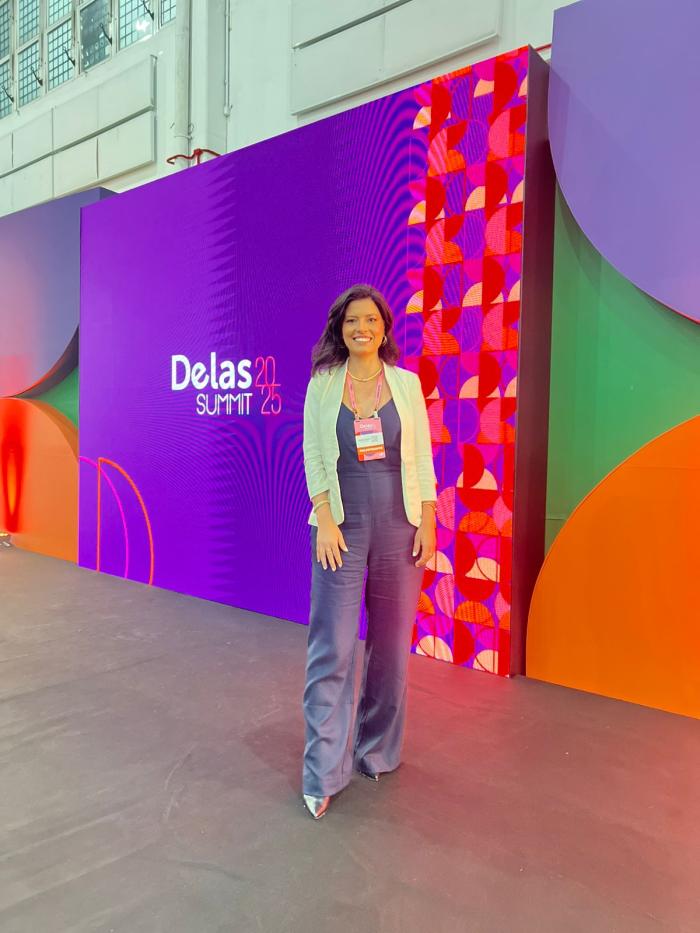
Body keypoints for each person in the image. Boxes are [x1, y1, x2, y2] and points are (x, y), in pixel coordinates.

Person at [301, 283, 438, 820]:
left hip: (400, 526)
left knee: (391, 648)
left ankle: (376, 750)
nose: (362, 328)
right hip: (342, 525)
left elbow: (422, 458)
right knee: (332, 647)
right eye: (353, 320)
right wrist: (325, 519)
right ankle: (322, 772)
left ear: (384, 329)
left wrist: (428, 521)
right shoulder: (322, 384)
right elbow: (313, 454)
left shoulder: (406, 384)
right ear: (341, 328)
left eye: (372, 320)